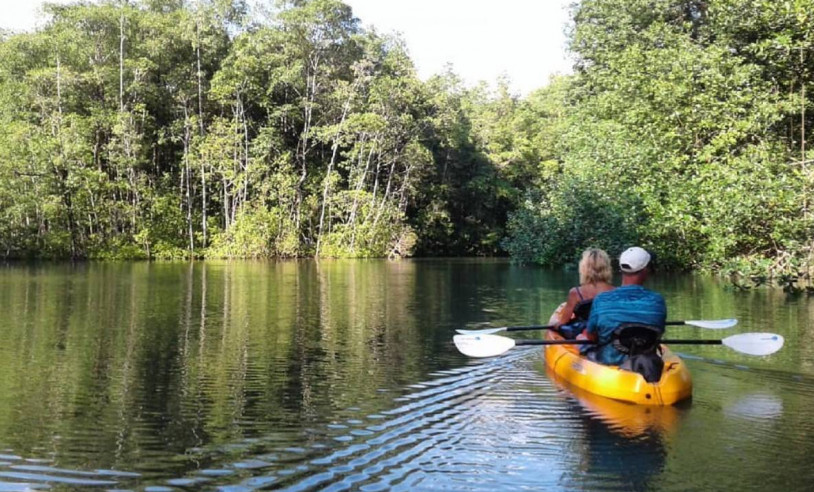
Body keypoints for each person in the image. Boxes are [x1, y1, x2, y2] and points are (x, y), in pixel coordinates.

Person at [583, 246, 666, 366]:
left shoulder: (602, 299)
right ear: (645, 270)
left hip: (609, 361)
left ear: (621, 269)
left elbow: (591, 336)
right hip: (645, 362)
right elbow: (659, 331)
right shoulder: (658, 300)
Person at [555, 248, 615, 338]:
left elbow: (564, 321)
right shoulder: (617, 291)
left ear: (584, 268)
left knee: (557, 325)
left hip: (582, 333)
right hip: (606, 331)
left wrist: (555, 325)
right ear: (607, 268)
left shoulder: (575, 292)